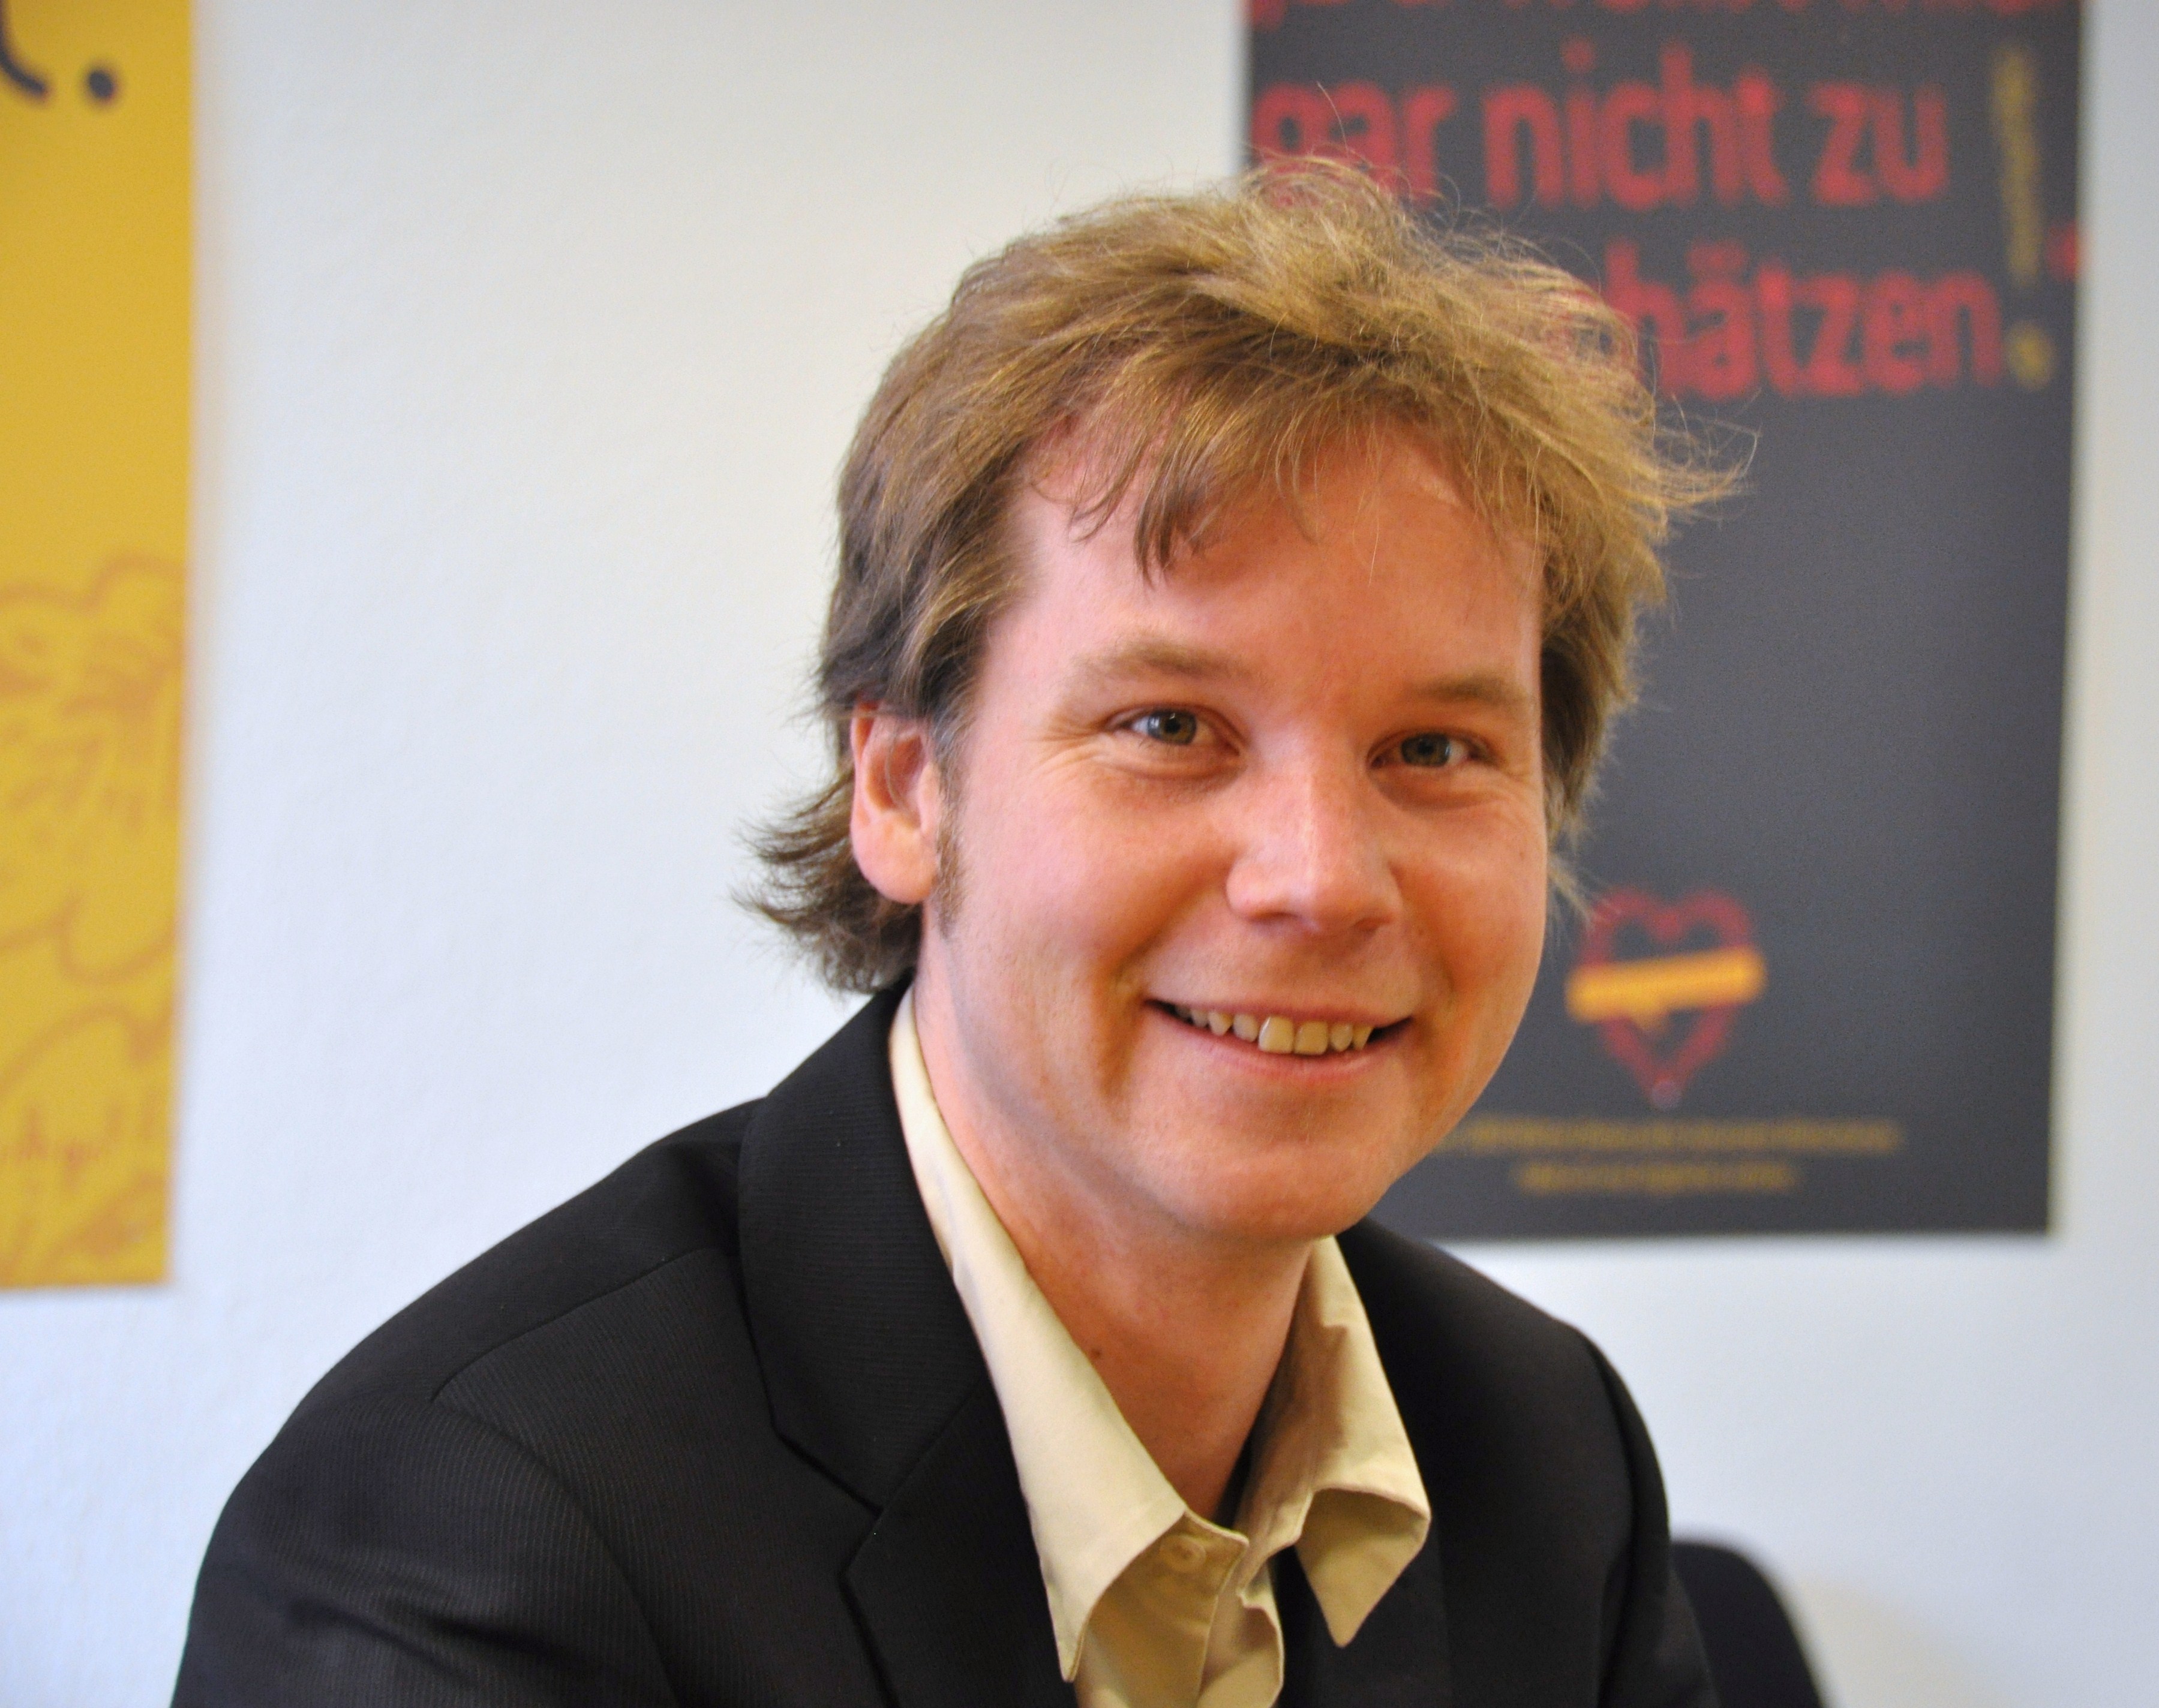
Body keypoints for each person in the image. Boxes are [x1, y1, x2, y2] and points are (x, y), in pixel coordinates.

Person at [174, 166, 1729, 1708]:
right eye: (1169, 725)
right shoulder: (481, 1540)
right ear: (904, 787)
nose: (1321, 881)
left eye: (1436, 751)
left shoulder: (1544, 1451)